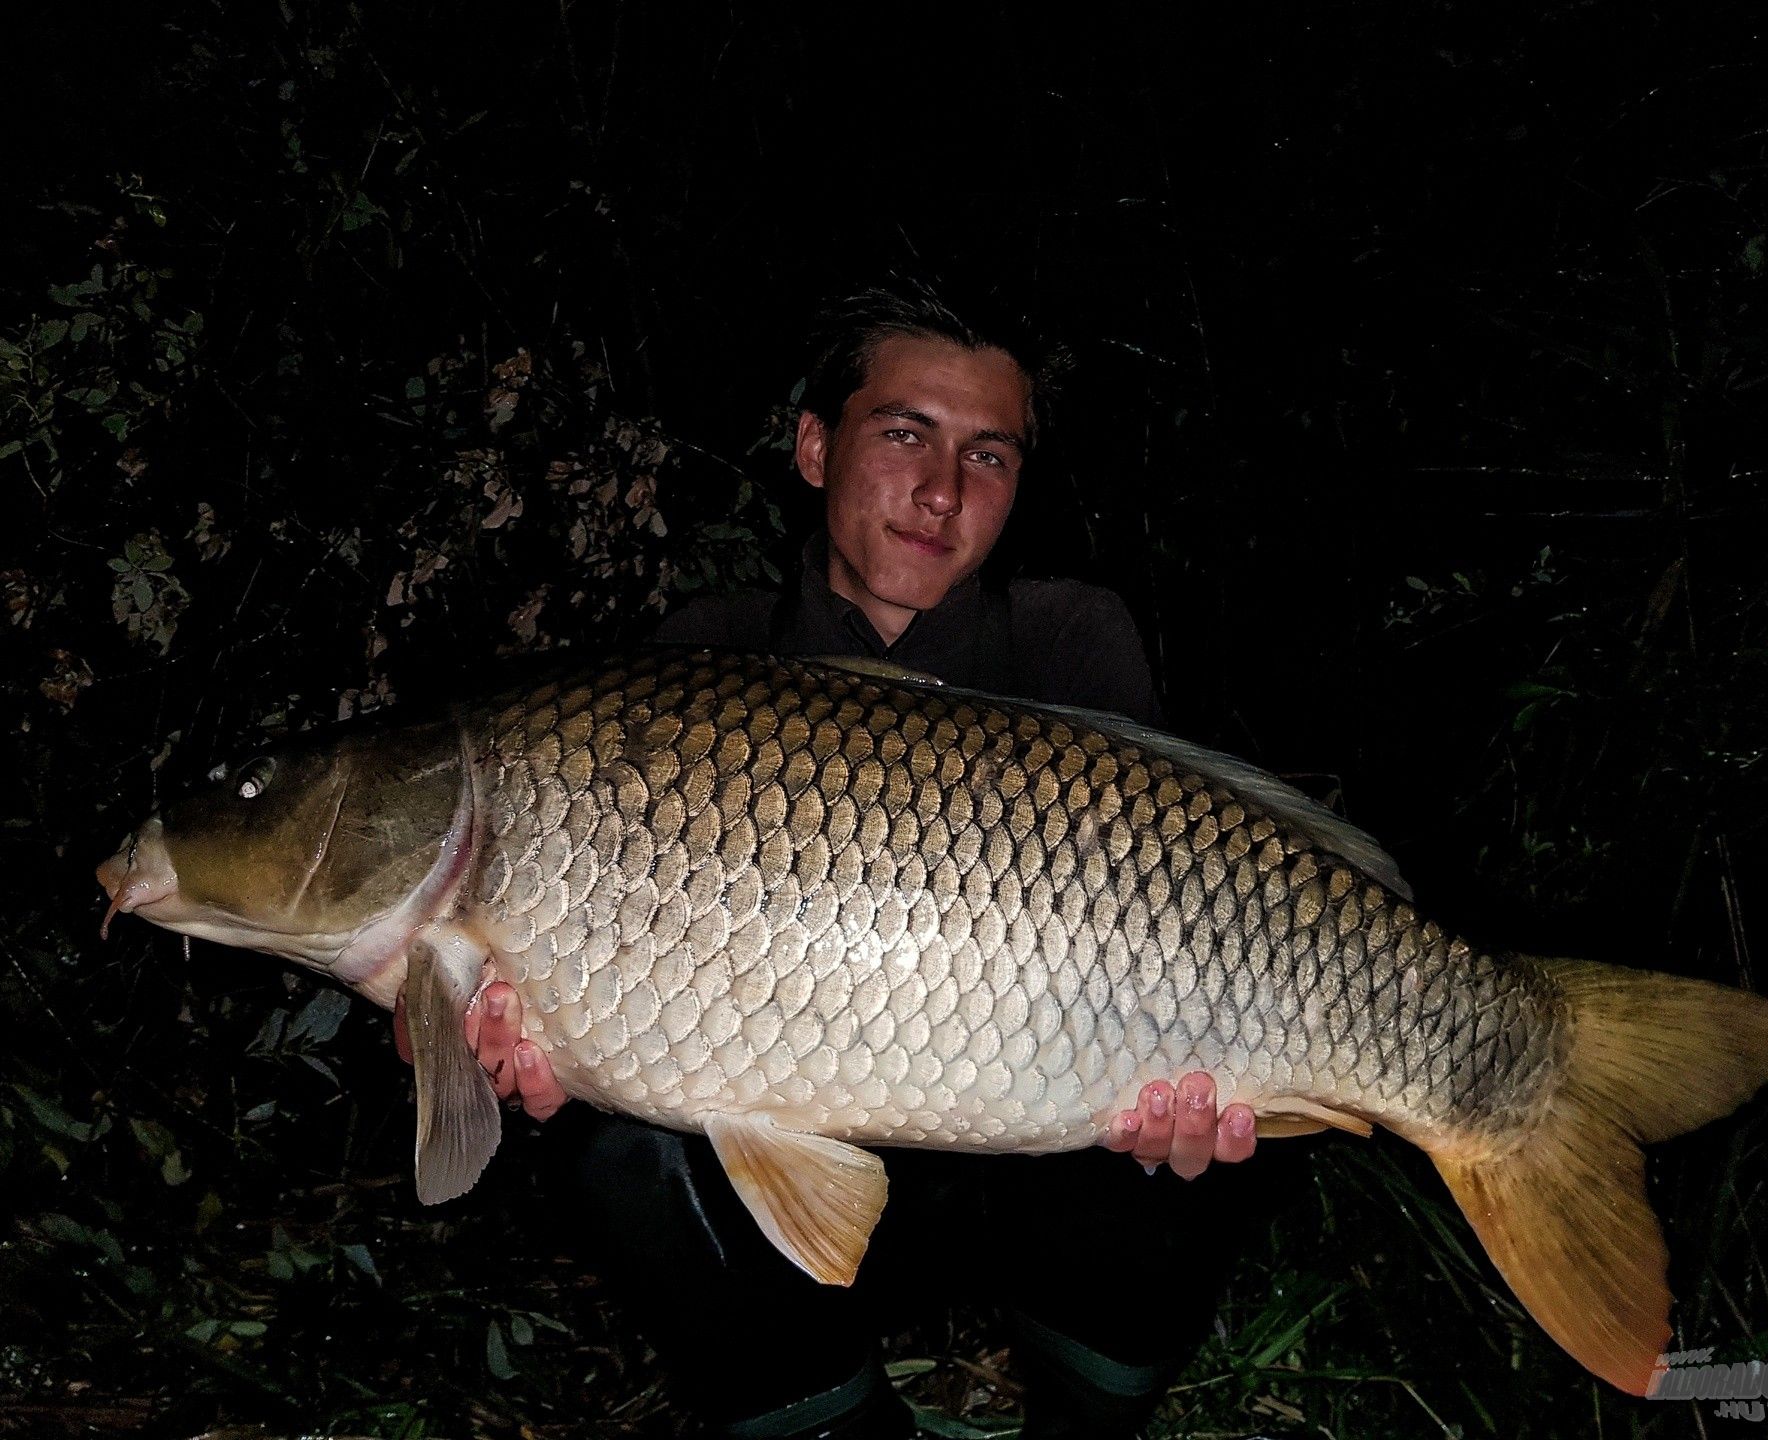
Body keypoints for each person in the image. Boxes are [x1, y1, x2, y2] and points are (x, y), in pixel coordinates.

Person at [400, 282, 1263, 1438]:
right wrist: (558, 1049)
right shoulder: (702, 658)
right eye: (905, 433)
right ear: (814, 447)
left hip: (1041, 1162)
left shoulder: (1070, 640)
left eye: (988, 456)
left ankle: (1084, 1422)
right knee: (620, 1158)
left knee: (1204, 1112)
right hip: (810, 1202)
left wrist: (1187, 1093)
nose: (943, 492)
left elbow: (1194, 911)